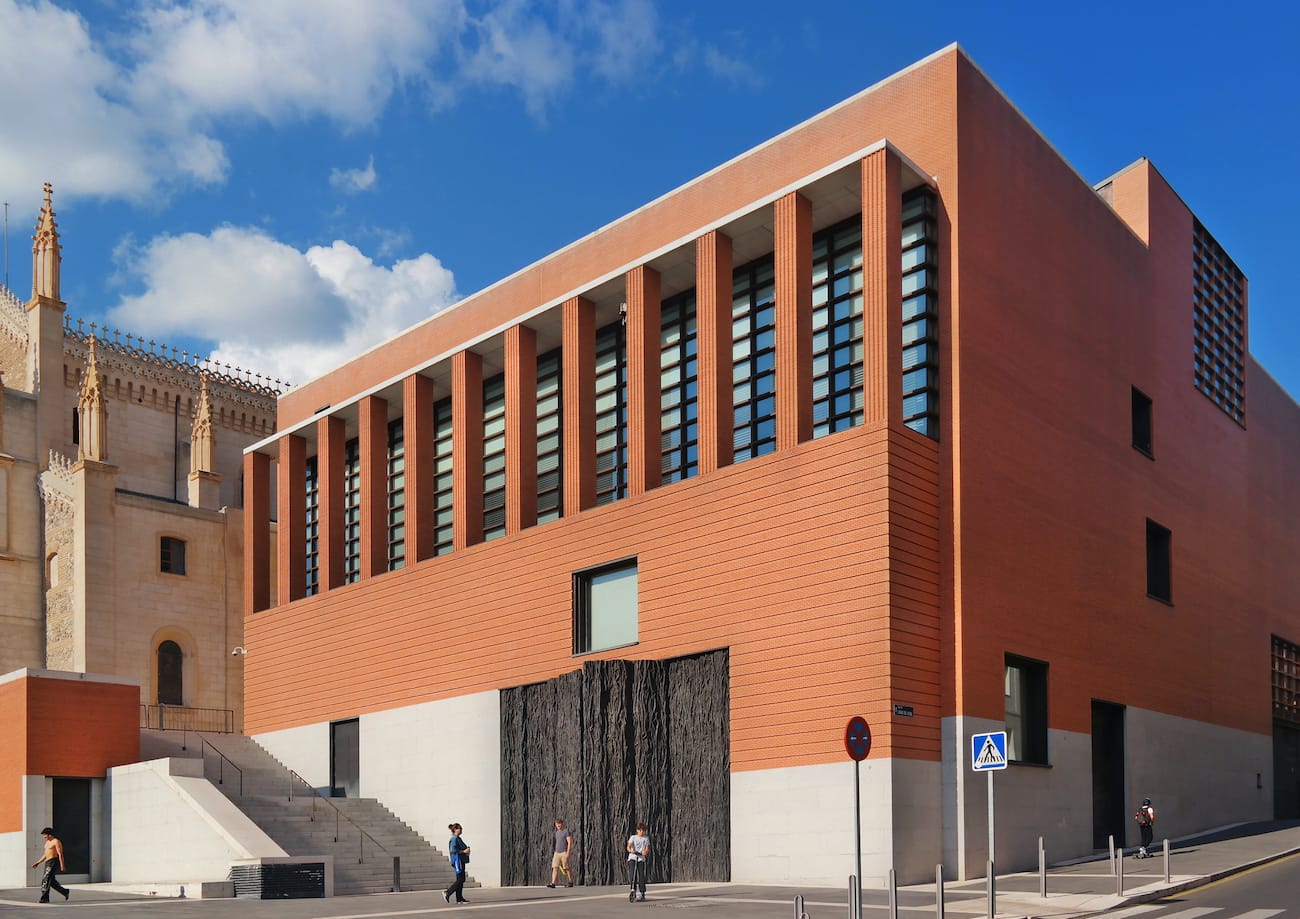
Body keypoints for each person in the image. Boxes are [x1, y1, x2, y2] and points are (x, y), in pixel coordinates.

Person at [32, 827, 69, 902]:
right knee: (51, 881)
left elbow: (60, 854)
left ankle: (44, 898)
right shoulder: (47, 843)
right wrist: (38, 862)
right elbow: (45, 855)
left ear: (49, 834)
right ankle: (65, 891)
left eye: (45, 835)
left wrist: (62, 865)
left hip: (53, 862)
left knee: (45, 879)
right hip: (47, 862)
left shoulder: (56, 841)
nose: (44, 837)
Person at [442, 822, 470, 904]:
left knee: (460, 879)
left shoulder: (457, 838)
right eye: (459, 828)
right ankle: (447, 892)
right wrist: (464, 851)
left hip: (460, 860)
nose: (461, 830)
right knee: (461, 879)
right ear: (455, 830)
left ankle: (459, 898)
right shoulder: (454, 838)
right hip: (458, 861)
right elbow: (453, 850)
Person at [626, 822, 650, 902]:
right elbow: (628, 847)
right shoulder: (633, 837)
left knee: (641, 876)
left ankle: (642, 892)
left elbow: (647, 849)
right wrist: (631, 850)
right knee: (632, 875)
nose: (641, 832)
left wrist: (645, 852)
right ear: (637, 830)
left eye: (643, 830)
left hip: (641, 858)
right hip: (633, 857)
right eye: (640, 830)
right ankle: (633, 890)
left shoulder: (646, 838)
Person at [547, 818, 574, 888]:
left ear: (562, 824)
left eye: (559, 823)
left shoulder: (566, 831)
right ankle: (553, 883)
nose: (558, 825)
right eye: (556, 824)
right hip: (557, 852)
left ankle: (570, 881)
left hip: (564, 852)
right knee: (555, 867)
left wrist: (568, 852)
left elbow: (570, 842)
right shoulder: (557, 833)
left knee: (566, 868)